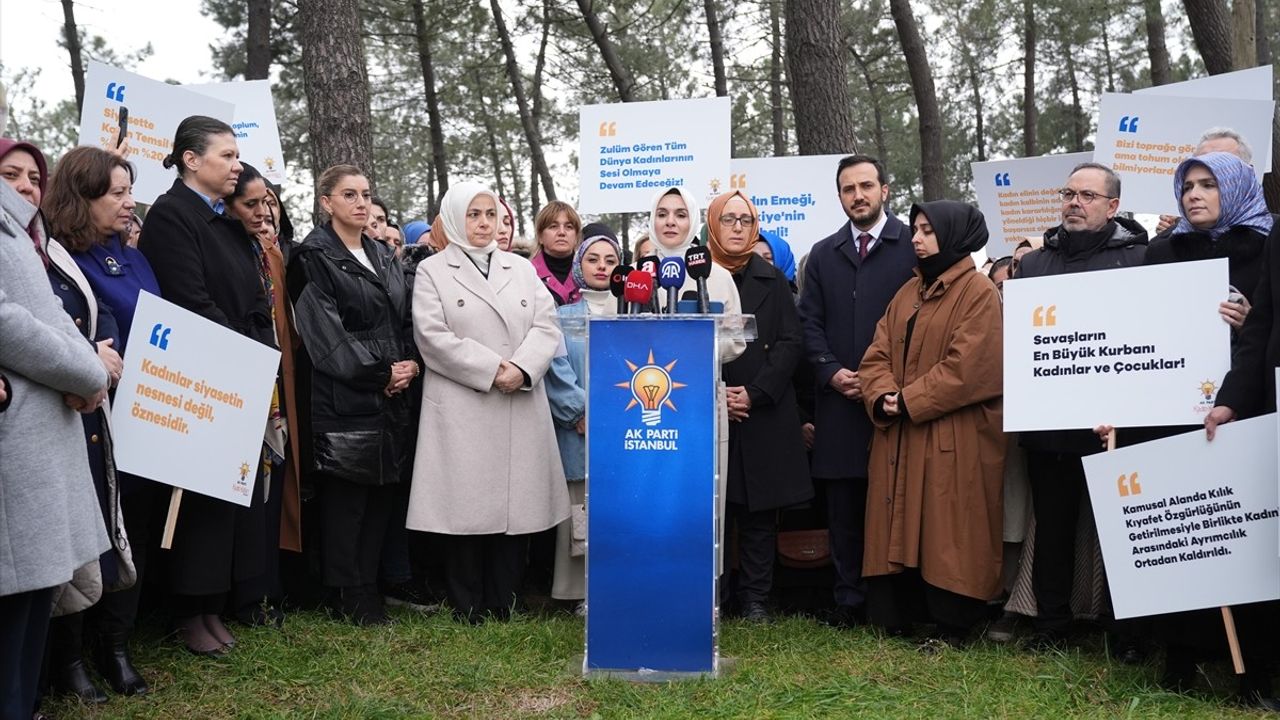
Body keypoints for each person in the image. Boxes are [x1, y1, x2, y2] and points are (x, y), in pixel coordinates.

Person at [1130, 152, 1276, 705]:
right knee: (1183, 538)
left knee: (1243, 539)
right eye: (1187, 185)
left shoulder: (1266, 248)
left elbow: (1267, 329)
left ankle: (1254, 669)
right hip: (1174, 414)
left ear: (1235, 188)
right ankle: (1180, 659)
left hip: (1248, 410)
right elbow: (1137, 332)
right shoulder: (1163, 251)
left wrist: (1252, 312)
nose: (1194, 195)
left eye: (1208, 184)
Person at [138, 115, 275, 657]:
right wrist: (241, 353)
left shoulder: (222, 221)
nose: (236, 164)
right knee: (193, 501)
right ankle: (187, 611)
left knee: (224, 499)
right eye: (226, 155)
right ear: (191, 160)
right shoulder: (172, 217)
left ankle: (213, 606)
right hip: (200, 378)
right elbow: (189, 300)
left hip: (236, 373)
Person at [407, 181, 569, 623]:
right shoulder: (433, 270)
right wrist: (492, 369)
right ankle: (467, 604)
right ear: (456, 218)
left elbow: (546, 325)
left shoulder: (520, 268)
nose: (483, 223)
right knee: (464, 510)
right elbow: (433, 336)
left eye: (491, 214)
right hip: (465, 403)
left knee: (516, 509)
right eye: (474, 214)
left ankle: (504, 600)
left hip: (518, 398)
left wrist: (522, 368)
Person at [1007, 162, 1148, 648]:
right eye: (1069, 193)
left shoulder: (1141, 260)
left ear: (1112, 207)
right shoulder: (1033, 265)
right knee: (1054, 530)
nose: (1074, 202)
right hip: (1050, 425)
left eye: (1087, 196)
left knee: (1122, 530)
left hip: (1118, 425)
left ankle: (1124, 630)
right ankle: (1051, 626)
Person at [858, 200, 1004, 645]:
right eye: (916, 230)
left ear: (955, 236)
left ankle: (954, 622)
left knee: (949, 528)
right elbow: (876, 353)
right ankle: (901, 614)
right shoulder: (908, 292)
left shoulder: (978, 292)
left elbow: (968, 369)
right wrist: (882, 394)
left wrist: (907, 400)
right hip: (902, 430)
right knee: (900, 522)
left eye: (927, 231)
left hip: (953, 437)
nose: (916, 239)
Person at [0, 138, 111, 719]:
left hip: (44, 430)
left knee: (37, 593)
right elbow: (7, 319)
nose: (25, 186)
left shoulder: (28, 236)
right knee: (15, 599)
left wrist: (87, 370)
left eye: (33, 176)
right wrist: (87, 369)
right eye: (10, 173)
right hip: (17, 435)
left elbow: (55, 317)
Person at [42, 145, 156, 699]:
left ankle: (116, 648)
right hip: (84, 411)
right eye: (118, 193)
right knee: (86, 531)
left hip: (142, 410)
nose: (130, 203)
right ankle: (72, 659)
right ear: (81, 197)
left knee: (125, 526)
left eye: (130, 191)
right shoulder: (57, 256)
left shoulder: (132, 253)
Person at [288, 165, 414, 626]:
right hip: (344, 396)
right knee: (347, 501)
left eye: (365, 194)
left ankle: (370, 588)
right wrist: (380, 373)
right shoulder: (311, 257)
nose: (361, 203)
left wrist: (410, 362)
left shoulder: (383, 254)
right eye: (348, 195)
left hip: (392, 394)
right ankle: (348, 594)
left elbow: (405, 317)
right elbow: (326, 337)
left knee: (381, 495)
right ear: (326, 203)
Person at [796, 154, 916, 627]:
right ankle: (849, 602)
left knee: (894, 503)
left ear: (885, 190)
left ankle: (896, 604)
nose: (858, 195)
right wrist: (829, 371)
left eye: (866, 186)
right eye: (849, 189)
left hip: (893, 402)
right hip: (839, 403)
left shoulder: (912, 245)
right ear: (840, 195)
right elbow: (809, 323)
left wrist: (881, 381)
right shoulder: (823, 254)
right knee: (843, 507)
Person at [706, 191, 813, 622]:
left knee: (758, 514)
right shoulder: (698, 276)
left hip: (762, 409)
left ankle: (754, 600)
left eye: (745, 220)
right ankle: (715, 595)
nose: (736, 227)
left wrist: (754, 392)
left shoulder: (772, 279)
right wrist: (718, 398)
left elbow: (791, 342)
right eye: (728, 219)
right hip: (711, 409)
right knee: (715, 509)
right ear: (713, 224)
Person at [224, 163, 302, 628]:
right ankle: (245, 595)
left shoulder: (270, 255)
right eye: (251, 204)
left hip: (276, 383)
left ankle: (268, 589)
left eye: (269, 202)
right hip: (239, 380)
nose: (263, 212)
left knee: (274, 489)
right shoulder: (233, 251)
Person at [543, 223, 621, 613]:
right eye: (593, 259)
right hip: (581, 430)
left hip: (625, 432)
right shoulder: (562, 316)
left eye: (610, 260)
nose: (601, 266)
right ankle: (578, 592)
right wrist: (579, 411)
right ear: (579, 264)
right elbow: (556, 367)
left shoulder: (635, 312)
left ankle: (618, 581)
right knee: (581, 508)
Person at [1155, 128, 1255, 234]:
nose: (1193, 195)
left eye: (1223, 160)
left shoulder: (1271, 237)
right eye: (1201, 161)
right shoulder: (1166, 244)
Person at [531, 200, 582, 306]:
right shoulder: (527, 273)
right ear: (540, 236)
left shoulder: (587, 272)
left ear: (576, 237)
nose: (562, 232)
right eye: (553, 226)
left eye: (569, 227)